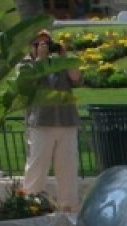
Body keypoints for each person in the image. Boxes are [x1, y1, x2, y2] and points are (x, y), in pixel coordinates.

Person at [22, 29, 82, 213]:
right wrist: (40, 61)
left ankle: (69, 206)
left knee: (68, 167)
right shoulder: (26, 65)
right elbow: (26, 85)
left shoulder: (60, 65)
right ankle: (32, 204)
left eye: (47, 44)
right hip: (41, 123)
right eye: (38, 44)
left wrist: (65, 57)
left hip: (66, 122)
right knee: (37, 166)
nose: (43, 48)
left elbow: (76, 79)